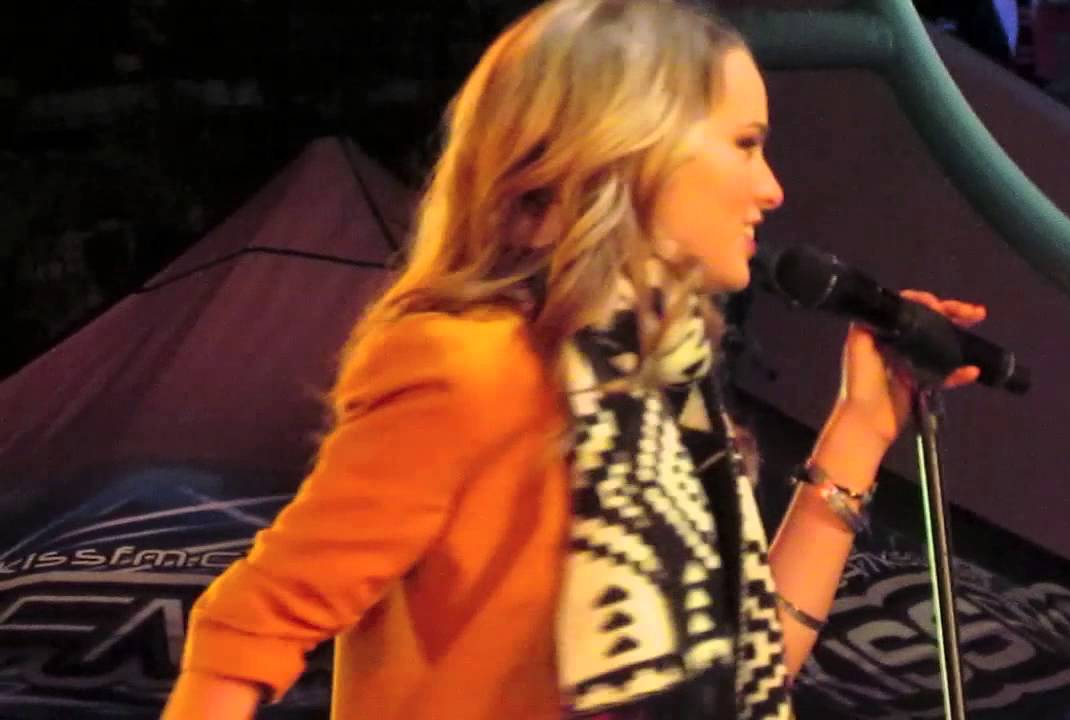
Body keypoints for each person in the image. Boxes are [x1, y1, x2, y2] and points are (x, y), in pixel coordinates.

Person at [161, 1, 985, 718]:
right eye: (744, 144)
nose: (772, 188)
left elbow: (745, 676)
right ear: (629, 149)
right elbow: (248, 631)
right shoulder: (470, 365)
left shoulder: (663, 397)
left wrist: (859, 432)